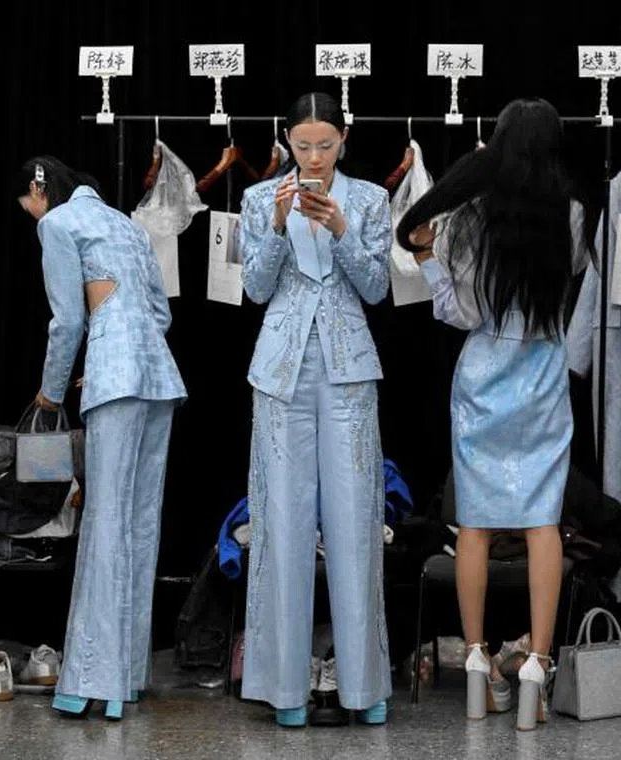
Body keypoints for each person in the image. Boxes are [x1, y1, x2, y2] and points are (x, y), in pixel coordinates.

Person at [397, 98, 592, 731]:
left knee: (475, 525)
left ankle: (477, 658)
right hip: (542, 374)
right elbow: (568, 288)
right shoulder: (573, 215)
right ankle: (538, 660)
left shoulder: (467, 219)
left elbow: (459, 313)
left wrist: (428, 259)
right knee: (542, 522)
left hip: (483, 372)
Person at [237, 92, 392, 728]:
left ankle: (364, 687)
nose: (315, 157)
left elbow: (377, 287)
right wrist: (278, 226)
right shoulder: (258, 199)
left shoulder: (370, 199)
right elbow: (254, 288)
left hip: (349, 367)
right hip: (281, 370)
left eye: (325, 145)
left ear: (344, 139)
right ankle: (285, 689)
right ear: (287, 142)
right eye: (303, 146)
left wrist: (341, 229)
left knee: (355, 523)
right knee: (282, 521)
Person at [15, 155, 186, 721]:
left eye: (27, 202)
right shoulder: (126, 224)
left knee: (106, 520)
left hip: (114, 376)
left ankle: (94, 678)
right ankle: (128, 675)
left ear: (38, 188)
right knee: (140, 521)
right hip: (157, 375)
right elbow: (159, 312)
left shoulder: (57, 223)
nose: (30, 213)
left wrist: (50, 393)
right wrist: (119, 349)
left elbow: (67, 321)